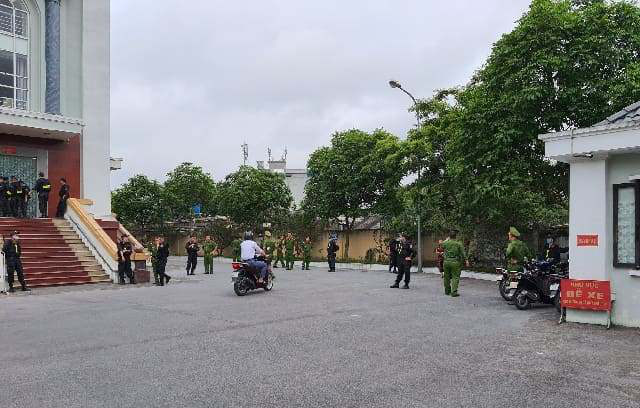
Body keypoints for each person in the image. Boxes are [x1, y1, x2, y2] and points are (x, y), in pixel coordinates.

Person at [442, 230, 467, 297]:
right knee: (455, 277)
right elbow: (463, 253)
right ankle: (454, 292)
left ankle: (447, 291)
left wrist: (446, 240)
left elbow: (441, 245)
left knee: (446, 277)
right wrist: (466, 260)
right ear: (456, 236)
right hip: (455, 262)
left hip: (446, 262)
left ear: (449, 236)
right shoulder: (458, 243)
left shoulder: (446, 243)